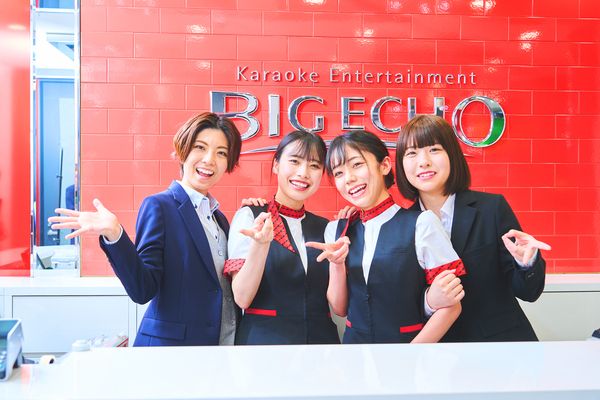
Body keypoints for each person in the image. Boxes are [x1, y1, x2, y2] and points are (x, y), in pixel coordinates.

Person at [49, 112, 242, 346]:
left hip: (221, 348)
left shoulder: (220, 219)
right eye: (200, 147)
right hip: (172, 349)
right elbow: (142, 288)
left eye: (221, 153)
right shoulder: (160, 206)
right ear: (183, 151)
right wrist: (115, 234)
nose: (210, 159)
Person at [395, 115, 551, 342]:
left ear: (452, 155)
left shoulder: (491, 209)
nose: (423, 161)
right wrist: (429, 302)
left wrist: (525, 263)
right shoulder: (400, 225)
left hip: (501, 345)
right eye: (411, 153)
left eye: (434, 150)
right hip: (439, 350)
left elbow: (528, 292)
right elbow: (401, 301)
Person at [317, 130, 464, 344]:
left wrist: (410, 355)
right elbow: (340, 308)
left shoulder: (422, 223)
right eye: (338, 173)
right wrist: (337, 264)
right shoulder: (336, 230)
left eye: (357, 164)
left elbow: (451, 306)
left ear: (384, 165)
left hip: (409, 349)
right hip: (354, 351)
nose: (349, 178)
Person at [224, 130, 345, 345]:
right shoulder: (252, 217)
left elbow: (338, 305)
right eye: (295, 161)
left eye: (314, 165)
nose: (303, 173)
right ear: (276, 165)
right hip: (265, 347)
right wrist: (260, 245)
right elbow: (242, 298)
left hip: (322, 348)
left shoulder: (325, 227)